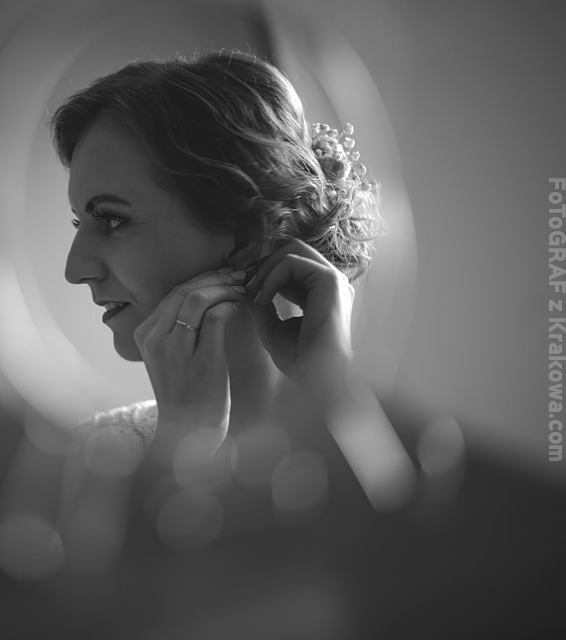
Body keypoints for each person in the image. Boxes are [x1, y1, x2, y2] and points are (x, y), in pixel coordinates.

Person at [50, 50, 413, 513]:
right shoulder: (96, 456)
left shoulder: (397, 443)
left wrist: (333, 389)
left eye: (112, 219)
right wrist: (183, 440)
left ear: (246, 234)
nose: (74, 269)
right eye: (79, 222)